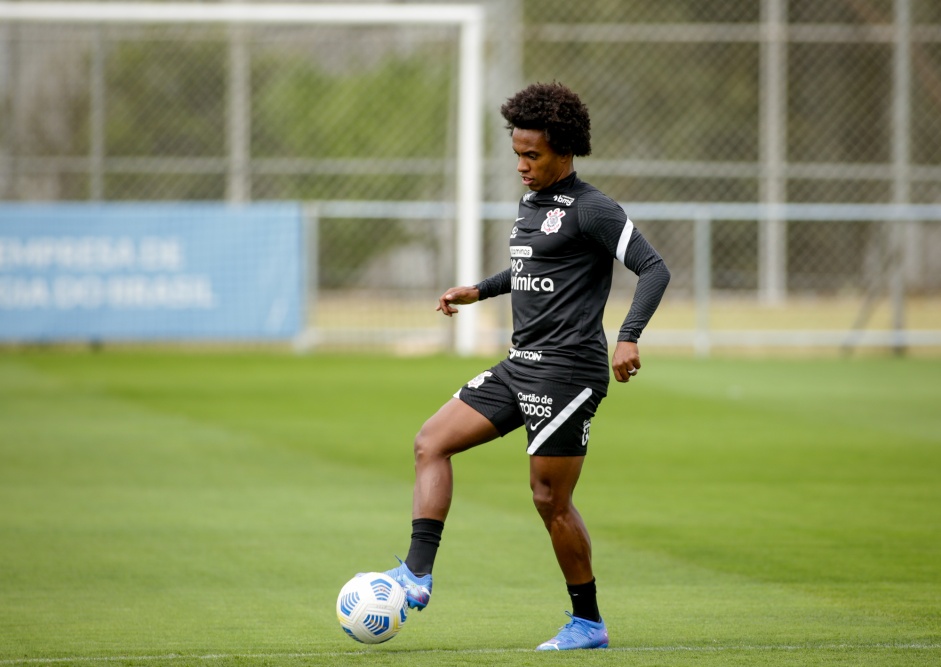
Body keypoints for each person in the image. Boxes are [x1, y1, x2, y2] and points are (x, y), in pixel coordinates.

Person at [383, 82, 671, 651]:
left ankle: (587, 623)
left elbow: (654, 268)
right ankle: (415, 577)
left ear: (564, 151)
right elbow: (532, 270)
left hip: (567, 372)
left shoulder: (594, 209)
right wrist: (478, 291)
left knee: (548, 499)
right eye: (516, 153)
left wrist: (629, 338)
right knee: (430, 441)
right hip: (521, 365)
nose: (521, 165)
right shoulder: (532, 202)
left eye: (531, 155)